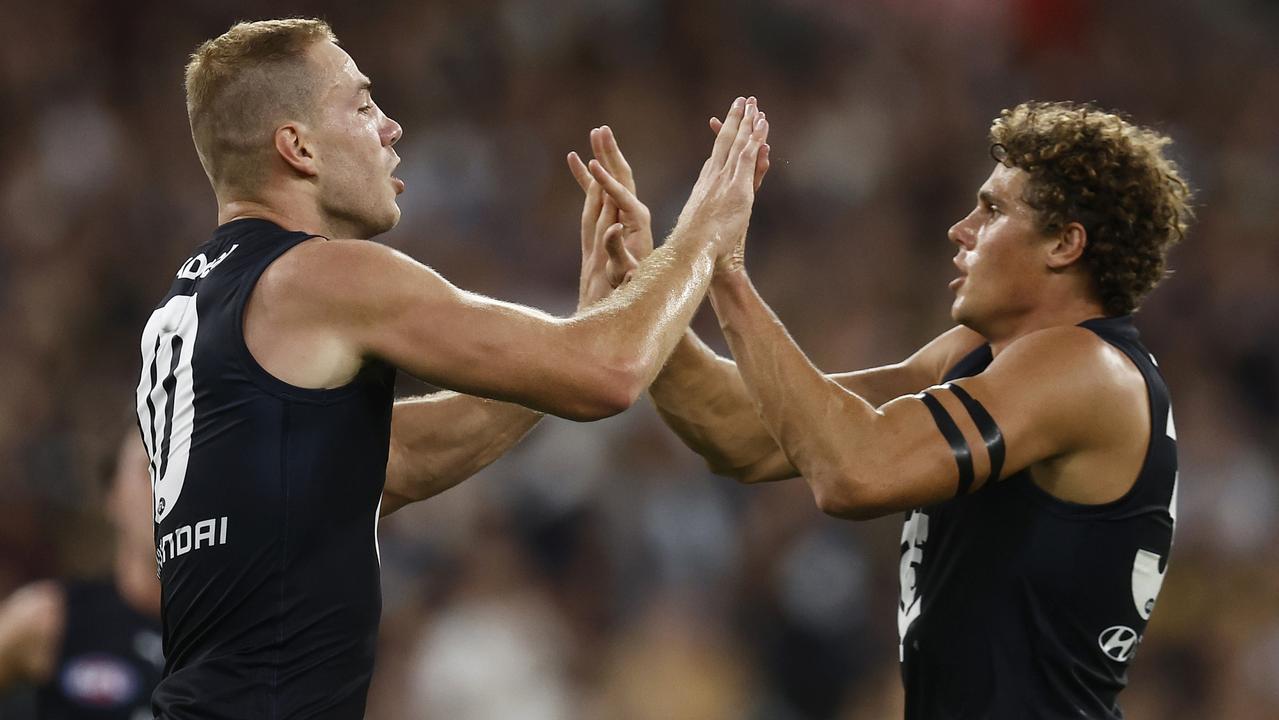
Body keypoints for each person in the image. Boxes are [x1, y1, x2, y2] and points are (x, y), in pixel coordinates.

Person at [135, 17, 768, 720]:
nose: (391, 127)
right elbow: (610, 373)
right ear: (298, 147)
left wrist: (557, 351)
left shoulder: (190, 306)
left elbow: (389, 461)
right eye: (363, 105)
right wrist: (702, 233)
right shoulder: (321, 276)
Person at [578, 101, 1191, 718]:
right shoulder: (982, 358)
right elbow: (746, 433)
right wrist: (645, 290)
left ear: (1064, 243)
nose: (961, 229)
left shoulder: (1087, 370)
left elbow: (857, 471)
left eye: (994, 209)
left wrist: (726, 269)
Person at [0, 432, 163, 720]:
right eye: (149, 469)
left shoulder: (242, 634)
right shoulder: (51, 618)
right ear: (113, 496)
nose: (166, 488)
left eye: (180, 470)